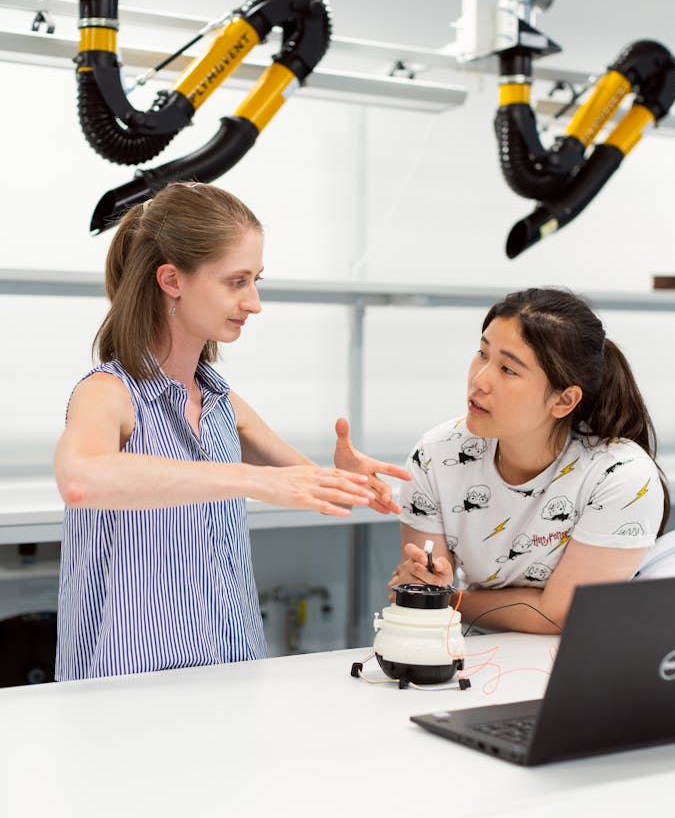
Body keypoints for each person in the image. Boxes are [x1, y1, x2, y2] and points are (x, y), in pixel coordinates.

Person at [54, 181, 410, 680]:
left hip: (232, 671)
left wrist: (345, 479)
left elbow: (307, 486)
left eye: (256, 280)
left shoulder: (221, 401)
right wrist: (248, 479)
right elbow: (81, 480)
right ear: (172, 280)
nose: (255, 302)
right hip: (128, 686)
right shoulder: (108, 392)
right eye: (236, 282)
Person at [390, 287, 668, 633]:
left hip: (582, 663)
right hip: (474, 658)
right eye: (482, 353)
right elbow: (422, 594)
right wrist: (429, 588)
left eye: (508, 369)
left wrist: (450, 599)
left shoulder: (619, 475)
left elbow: (562, 614)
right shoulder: (437, 454)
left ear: (564, 400)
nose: (479, 379)